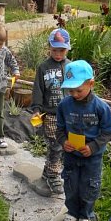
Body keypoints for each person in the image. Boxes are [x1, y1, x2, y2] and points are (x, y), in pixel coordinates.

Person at [56, 60, 111, 221]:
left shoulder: (100, 107)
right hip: (71, 155)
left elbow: (109, 130)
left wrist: (94, 146)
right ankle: (73, 212)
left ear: (91, 84)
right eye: (70, 90)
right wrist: (63, 142)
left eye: (78, 90)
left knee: (89, 185)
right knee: (71, 183)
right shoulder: (64, 106)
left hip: (92, 157)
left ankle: (86, 215)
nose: (74, 94)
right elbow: (59, 128)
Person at [30, 28, 72, 194]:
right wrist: (36, 109)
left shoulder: (70, 67)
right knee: (55, 145)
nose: (58, 54)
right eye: (54, 50)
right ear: (49, 48)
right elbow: (38, 90)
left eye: (62, 50)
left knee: (63, 146)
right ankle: (54, 175)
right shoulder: (43, 67)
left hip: (68, 114)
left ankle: (48, 172)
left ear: (67, 49)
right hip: (51, 114)